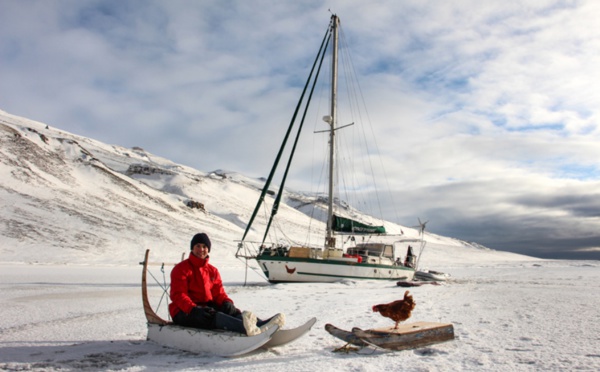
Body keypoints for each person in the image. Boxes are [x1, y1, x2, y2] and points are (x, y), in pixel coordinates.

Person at [169, 232, 284, 335]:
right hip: (184, 311)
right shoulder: (182, 269)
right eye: (198, 246)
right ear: (192, 248)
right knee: (214, 316)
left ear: (208, 249)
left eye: (204, 246)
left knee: (229, 310)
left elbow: (218, 293)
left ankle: (260, 324)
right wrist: (193, 309)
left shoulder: (212, 271)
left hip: (205, 308)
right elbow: (178, 295)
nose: (201, 250)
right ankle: (247, 328)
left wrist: (226, 302)